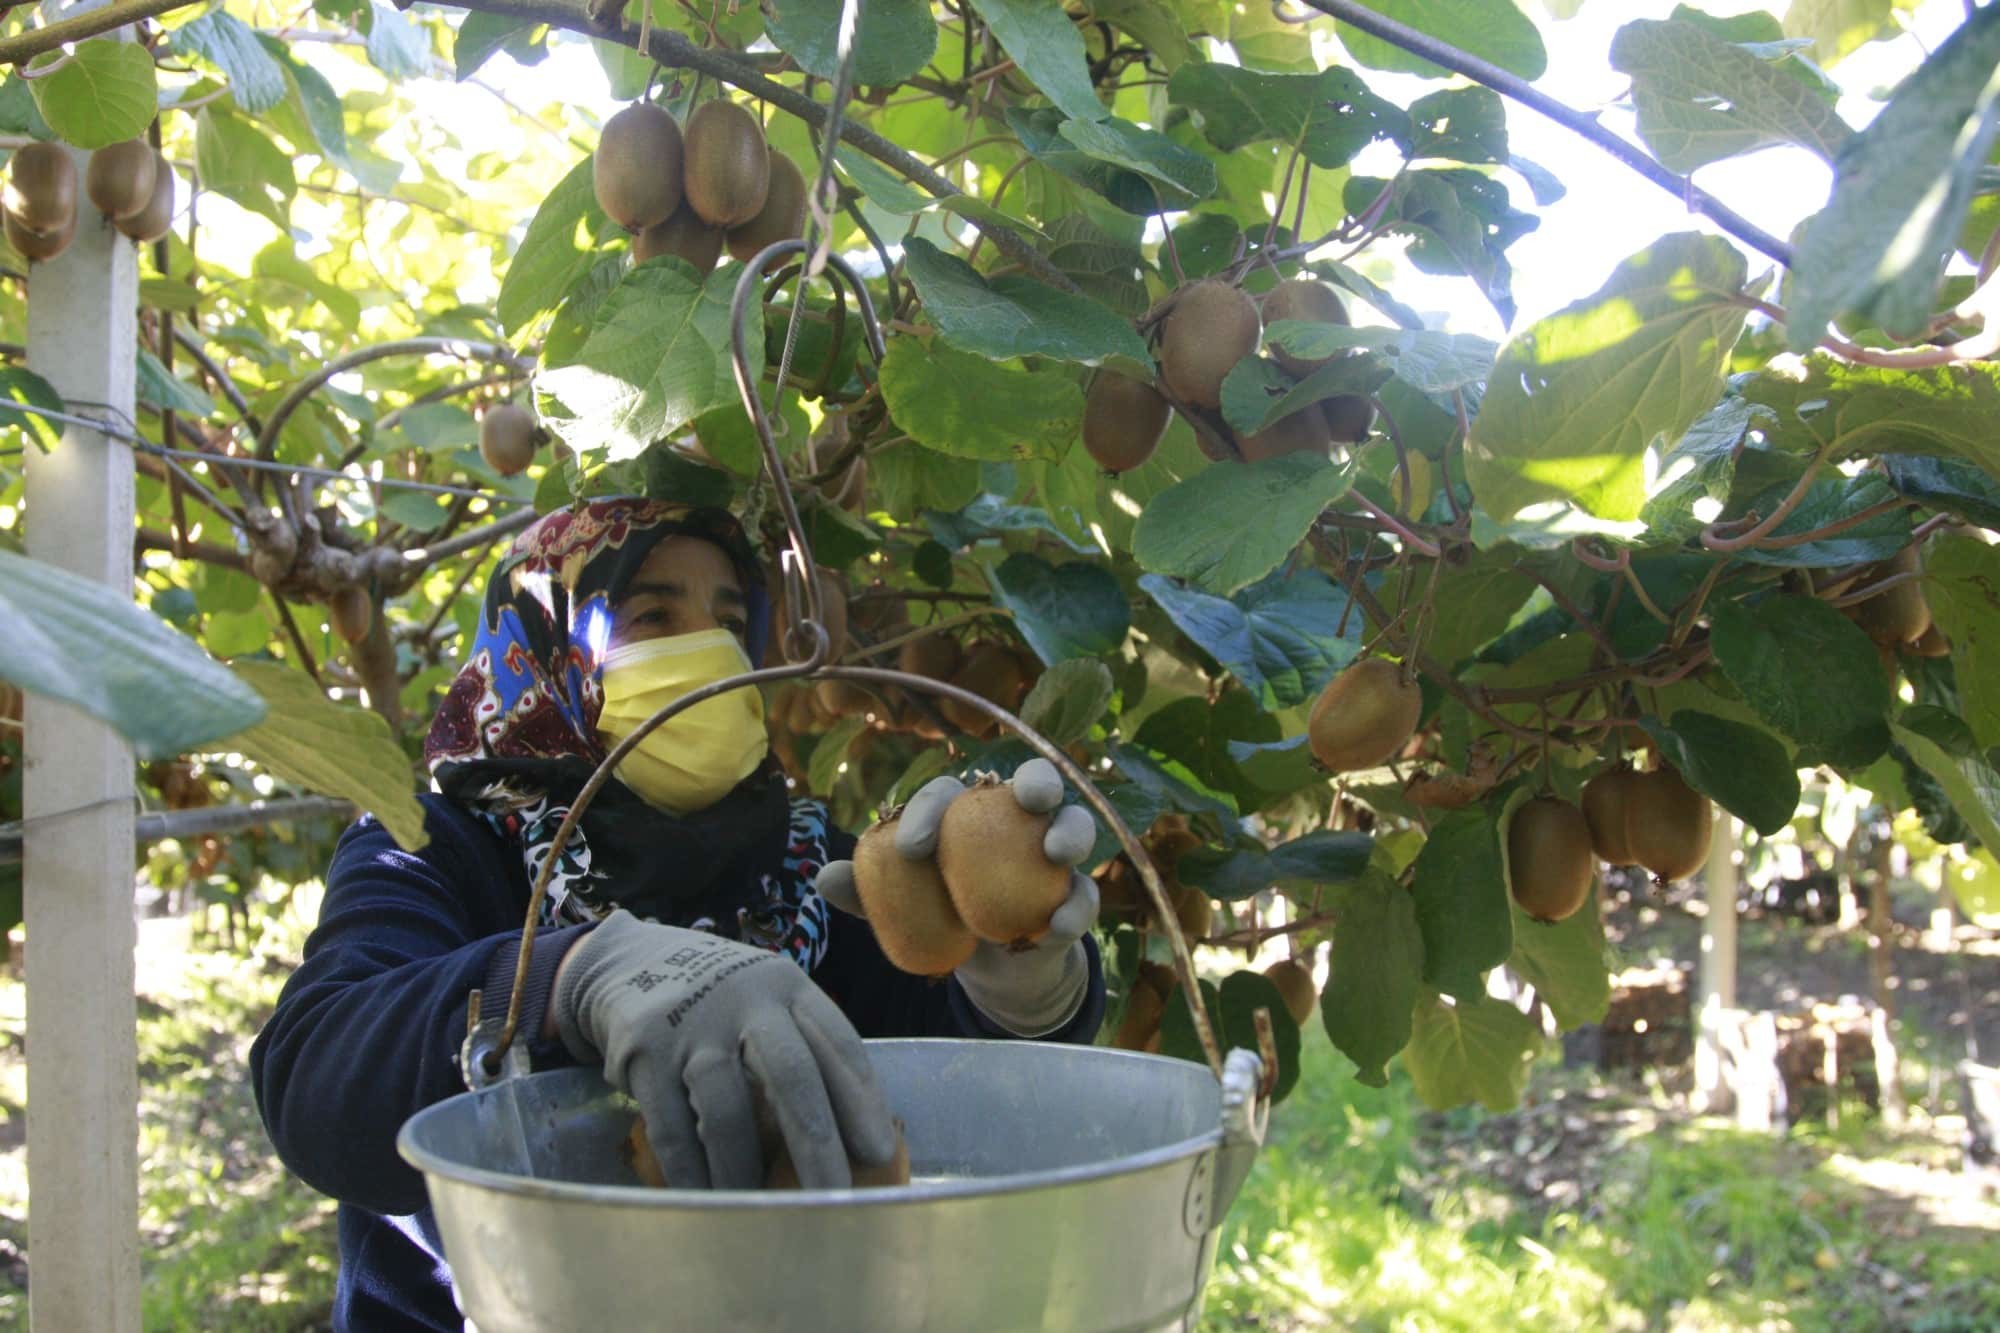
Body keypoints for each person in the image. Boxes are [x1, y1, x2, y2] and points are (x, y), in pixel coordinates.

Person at [250, 497, 1106, 1332]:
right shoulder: (432, 841)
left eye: (732, 623)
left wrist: (1021, 985)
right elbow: (316, 1078)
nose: (711, 652)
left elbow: (957, 1093)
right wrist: (569, 974)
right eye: (653, 617)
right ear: (544, 638)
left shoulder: (809, 864)